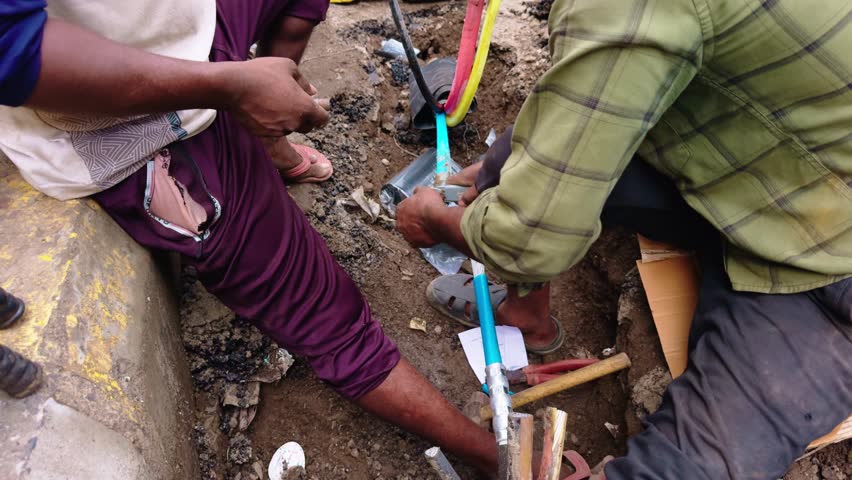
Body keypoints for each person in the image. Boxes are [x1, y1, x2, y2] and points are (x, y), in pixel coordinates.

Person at [0, 0, 501, 474]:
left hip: (190, 37)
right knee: (329, 320)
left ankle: (267, 138)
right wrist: (232, 86)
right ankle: (495, 456)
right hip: (134, 127)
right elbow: (12, 48)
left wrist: (240, 87)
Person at [396, 0, 852, 478]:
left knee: (685, 469)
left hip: (829, 265)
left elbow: (528, 242)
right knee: (527, 151)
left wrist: (437, 223)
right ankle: (527, 319)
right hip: (770, 166)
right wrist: (516, 176)